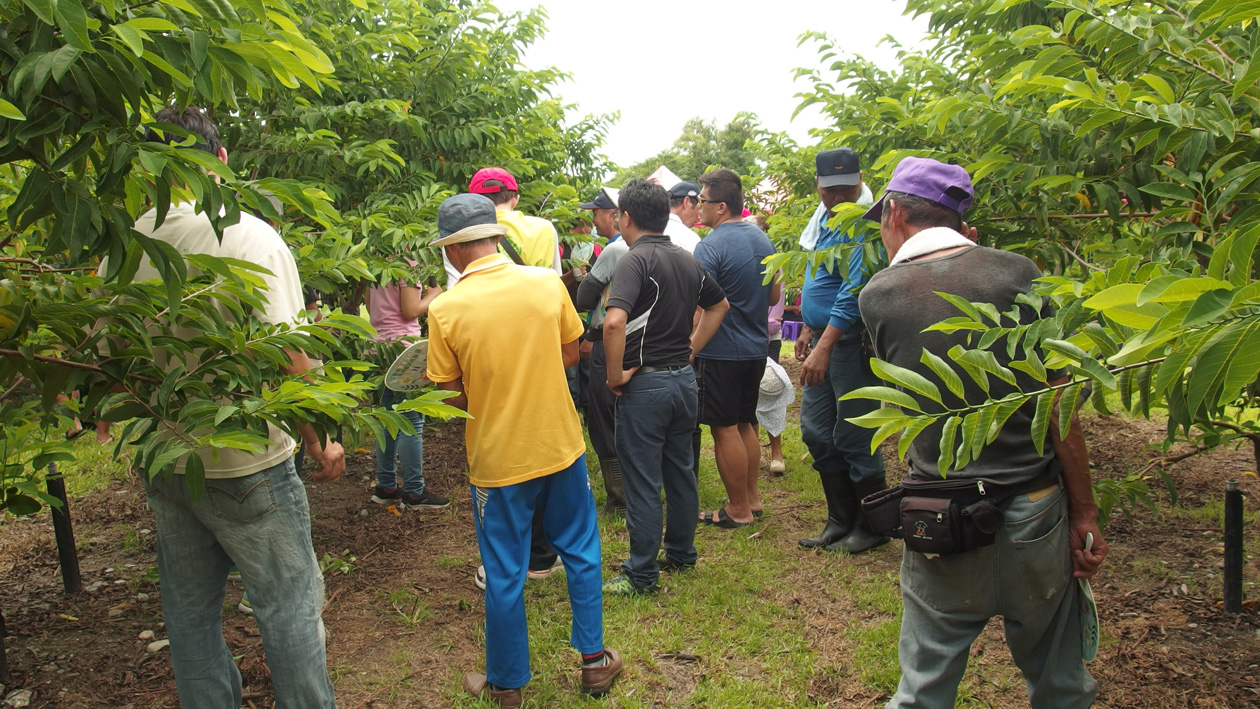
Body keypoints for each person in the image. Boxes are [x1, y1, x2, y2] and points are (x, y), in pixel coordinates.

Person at [858, 156, 1108, 708]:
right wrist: (1085, 513)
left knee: (923, 687)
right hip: (1035, 512)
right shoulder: (1018, 273)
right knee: (1060, 683)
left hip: (940, 518)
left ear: (895, 212)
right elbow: (1059, 404)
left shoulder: (880, 295)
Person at [132, 106, 344, 707]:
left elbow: (107, 357)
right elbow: (288, 352)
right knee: (287, 608)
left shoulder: (128, 244)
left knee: (189, 616)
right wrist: (318, 436)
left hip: (167, 459)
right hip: (247, 464)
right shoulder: (247, 234)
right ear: (220, 160)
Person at [425, 193, 621, 706]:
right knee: (580, 549)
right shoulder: (545, 283)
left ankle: (508, 684)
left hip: (497, 459)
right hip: (559, 444)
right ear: (496, 235)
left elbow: (450, 397)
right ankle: (595, 661)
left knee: (505, 569)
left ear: (451, 250)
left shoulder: (445, 310)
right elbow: (570, 353)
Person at [601, 179, 729, 595]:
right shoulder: (686, 259)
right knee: (680, 472)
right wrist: (691, 350)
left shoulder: (633, 261)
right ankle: (681, 553)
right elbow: (719, 305)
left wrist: (616, 374)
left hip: (647, 386)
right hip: (682, 383)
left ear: (627, 217)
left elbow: (614, 321)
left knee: (641, 480)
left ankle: (640, 574)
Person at [795, 147, 888, 554]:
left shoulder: (862, 224)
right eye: (829, 190)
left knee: (855, 432)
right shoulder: (821, 222)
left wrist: (825, 345)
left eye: (846, 188)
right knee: (816, 430)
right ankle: (840, 519)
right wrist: (808, 331)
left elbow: (853, 291)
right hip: (822, 337)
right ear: (817, 184)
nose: (837, 197)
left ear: (860, 179)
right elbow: (820, 277)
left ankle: (872, 524)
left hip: (848, 343)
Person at [692, 169, 777, 527]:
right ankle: (752, 500)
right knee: (746, 423)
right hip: (757, 349)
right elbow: (773, 295)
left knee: (724, 428)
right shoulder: (762, 240)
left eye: (703, 200)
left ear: (722, 206)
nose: (698, 207)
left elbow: (698, 306)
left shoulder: (710, 246)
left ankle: (738, 509)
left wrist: (689, 347)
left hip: (721, 352)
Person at [364, 274, 450, 510]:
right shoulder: (407, 263)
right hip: (402, 351)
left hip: (376, 348)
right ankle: (414, 491)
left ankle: (386, 486)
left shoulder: (375, 261)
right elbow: (411, 310)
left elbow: (369, 302)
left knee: (386, 421)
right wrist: (434, 295)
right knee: (411, 423)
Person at [574, 187, 629, 513]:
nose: (592, 219)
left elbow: (584, 298)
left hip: (608, 339)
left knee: (604, 417)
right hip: (645, 343)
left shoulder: (615, 250)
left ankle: (619, 496)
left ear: (616, 215)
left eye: (596, 212)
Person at [441, 167, 562, 285]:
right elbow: (557, 279)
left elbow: (455, 287)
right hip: (540, 302)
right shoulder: (545, 227)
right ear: (516, 200)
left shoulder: (462, 234)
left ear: (473, 201)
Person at [664, 181, 703, 252]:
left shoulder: (648, 230)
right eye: (697, 209)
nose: (697, 220)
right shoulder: (690, 239)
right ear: (686, 202)